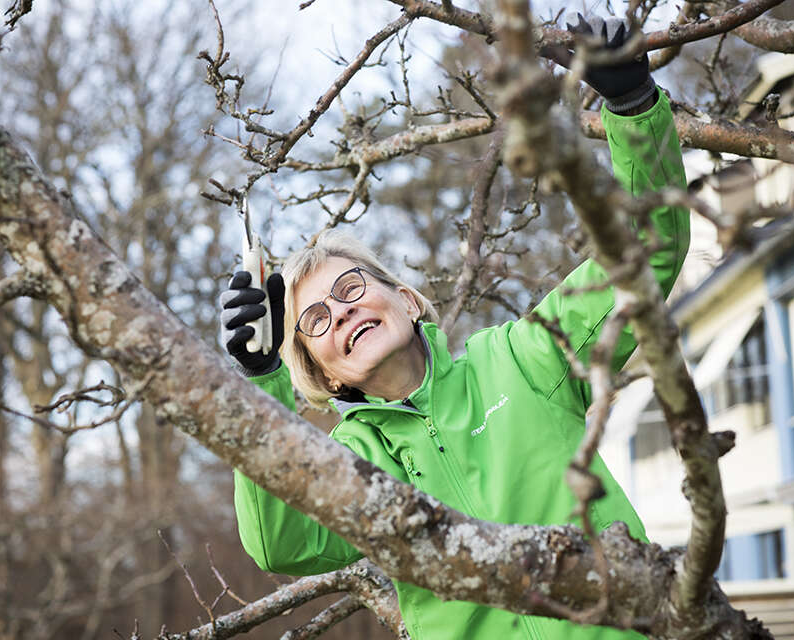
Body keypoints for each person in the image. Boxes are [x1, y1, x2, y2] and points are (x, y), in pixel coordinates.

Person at [219, 14, 689, 640]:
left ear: (408, 300)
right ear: (323, 372)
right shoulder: (349, 467)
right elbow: (279, 543)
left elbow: (643, 252)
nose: (345, 313)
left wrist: (634, 108)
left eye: (352, 287)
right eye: (317, 319)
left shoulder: (524, 359)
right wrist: (259, 379)